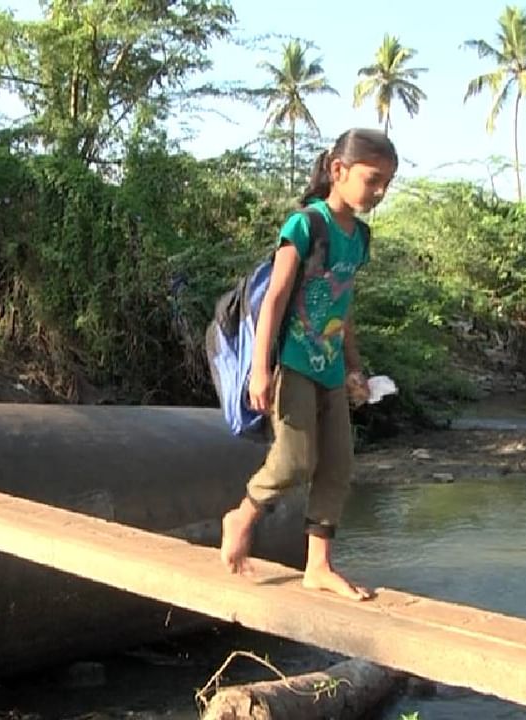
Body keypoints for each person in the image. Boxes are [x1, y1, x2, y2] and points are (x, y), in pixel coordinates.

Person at [217, 128, 396, 601]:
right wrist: (260, 371)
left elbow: (344, 307)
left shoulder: (359, 237)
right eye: (372, 180)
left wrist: (356, 369)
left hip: (331, 368)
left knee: (337, 466)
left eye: (386, 185)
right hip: (293, 364)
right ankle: (244, 515)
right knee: (295, 460)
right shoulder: (305, 225)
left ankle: (318, 565)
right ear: (338, 171)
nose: (378, 193)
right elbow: (273, 300)